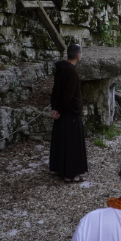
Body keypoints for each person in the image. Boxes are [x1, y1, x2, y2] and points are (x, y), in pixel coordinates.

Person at [50, 44, 88, 183]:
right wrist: (59, 110)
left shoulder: (60, 69)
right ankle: (71, 174)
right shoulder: (71, 72)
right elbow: (68, 95)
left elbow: (55, 91)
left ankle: (60, 168)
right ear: (78, 55)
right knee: (72, 143)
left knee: (62, 141)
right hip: (70, 112)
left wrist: (55, 108)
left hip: (62, 111)